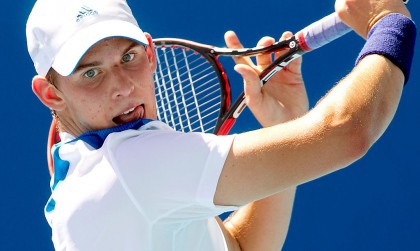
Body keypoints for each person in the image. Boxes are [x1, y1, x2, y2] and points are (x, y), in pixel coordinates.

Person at [26, 0, 415, 250]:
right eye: (91, 72)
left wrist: (286, 123)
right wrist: (389, 23)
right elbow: (348, 132)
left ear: (151, 53)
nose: (123, 87)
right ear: (51, 94)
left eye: (129, 58)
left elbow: (242, 249)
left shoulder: (92, 177)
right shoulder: (131, 164)